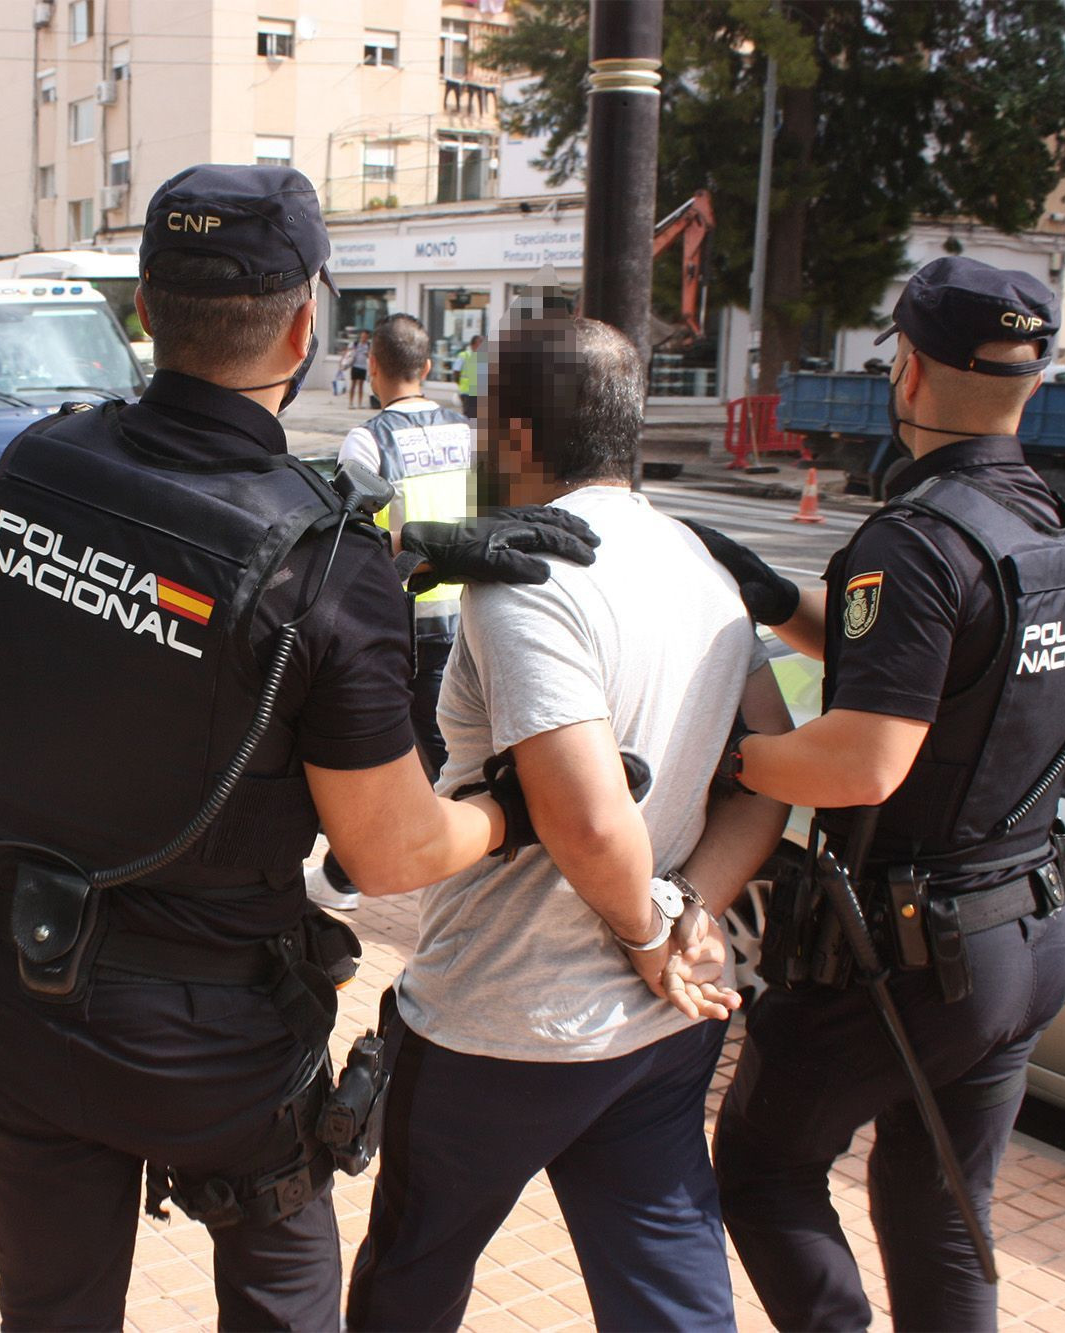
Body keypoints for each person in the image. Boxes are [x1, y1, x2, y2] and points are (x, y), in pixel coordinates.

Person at [0, 164, 599, 1331]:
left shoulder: (37, 466)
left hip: (16, 994)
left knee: (48, 1310)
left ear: (144, 306)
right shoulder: (321, 565)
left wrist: (396, 563)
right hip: (214, 1052)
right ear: (307, 323)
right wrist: (510, 804)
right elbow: (391, 851)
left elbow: (149, 626)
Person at [343, 314, 794, 1333]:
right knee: (668, 1290)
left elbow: (583, 817)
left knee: (409, 1281)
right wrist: (690, 914)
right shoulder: (700, 566)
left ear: (511, 435)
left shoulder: (522, 576)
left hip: (497, 1019)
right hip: (657, 1028)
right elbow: (766, 769)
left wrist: (647, 931)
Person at [694, 257, 1065, 1332]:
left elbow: (863, 758)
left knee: (761, 1165)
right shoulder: (1052, 530)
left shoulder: (914, 540)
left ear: (907, 371)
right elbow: (940, 675)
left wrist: (731, 759)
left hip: (908, 955)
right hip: (1022, 932)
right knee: (938, 1211)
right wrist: (779, 597)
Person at [307, 312, 474, 913]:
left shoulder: (368, 440)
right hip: (475, 614)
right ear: (427, 368)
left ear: (372, 366)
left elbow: (350, 538)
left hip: (410, 620)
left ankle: (362, 874)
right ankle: (347, 872)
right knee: (454, 749)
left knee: (421, 758)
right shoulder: (467, 431)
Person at [454, 332, 482, 420]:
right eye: (480, 343)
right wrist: (460, 384)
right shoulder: (464, 355)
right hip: (467, 392)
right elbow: (456, 371)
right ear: (472, 345)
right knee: (468, 415)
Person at [345, 327, 371, 408]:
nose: (364, 338)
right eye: (363, 336)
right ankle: (351, 403)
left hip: (363, 367)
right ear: (360, 336)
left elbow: (371, 355)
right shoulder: (355, 344)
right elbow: (348, 353)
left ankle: (360, 403)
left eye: (366, 337)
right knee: (353, 384)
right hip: (355, 366)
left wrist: (368, 354)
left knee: (361, 385)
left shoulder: (368, 345)